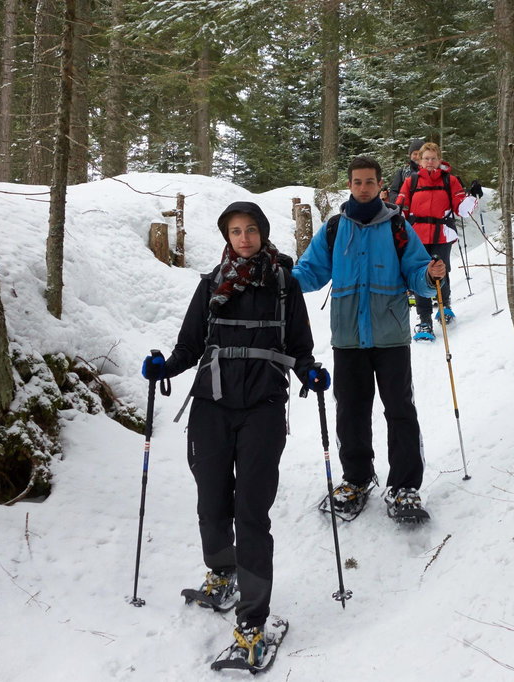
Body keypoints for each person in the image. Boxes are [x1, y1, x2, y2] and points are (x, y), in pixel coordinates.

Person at [141, 201, 328, 666]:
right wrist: (165, 365)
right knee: (212, 502)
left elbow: (299, 348)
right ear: (226, 236)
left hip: (263, 407)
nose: (244, 238)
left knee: (251, 512)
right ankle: (222, 572)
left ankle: (252, 624)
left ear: (263, 233)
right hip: (211, 405)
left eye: (251, 230)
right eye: (235, 231)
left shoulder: (284, 285)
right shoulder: (210, 285)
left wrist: (310, 373)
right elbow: (189, 346)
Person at [291, 156, 446, 523]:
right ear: (350, 185)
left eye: (369, 182)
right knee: (351, 412)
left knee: (400, 411)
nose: (363, 187)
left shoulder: (397, 226)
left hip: (390, 336)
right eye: (357, 182)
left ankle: (405, 486)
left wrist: (430, 273)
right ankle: (357, 479)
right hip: (347, 337)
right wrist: (284, 279)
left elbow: (415, 271)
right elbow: (311, 271)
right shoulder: (333, 229)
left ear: (381, 186)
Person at [395, 142, 473, 342]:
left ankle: (444, 304)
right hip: (417, 235)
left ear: (439, 160)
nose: (430, 162)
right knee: (421, 274)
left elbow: (461, 210)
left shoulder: (450, 180)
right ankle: (424, 320)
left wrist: (471, 197)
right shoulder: (411, 181)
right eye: (426, 158)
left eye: (433, 158)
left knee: (440, 269)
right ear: (419, 161)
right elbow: (400, 209)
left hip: (442, 233)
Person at [383, 138, 424, 202]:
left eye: (420, 154)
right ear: (410, 155)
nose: (418, 157)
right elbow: (393, 192)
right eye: (415, 154)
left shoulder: (430, 171)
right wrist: (399, 200)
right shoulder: (402, 172)